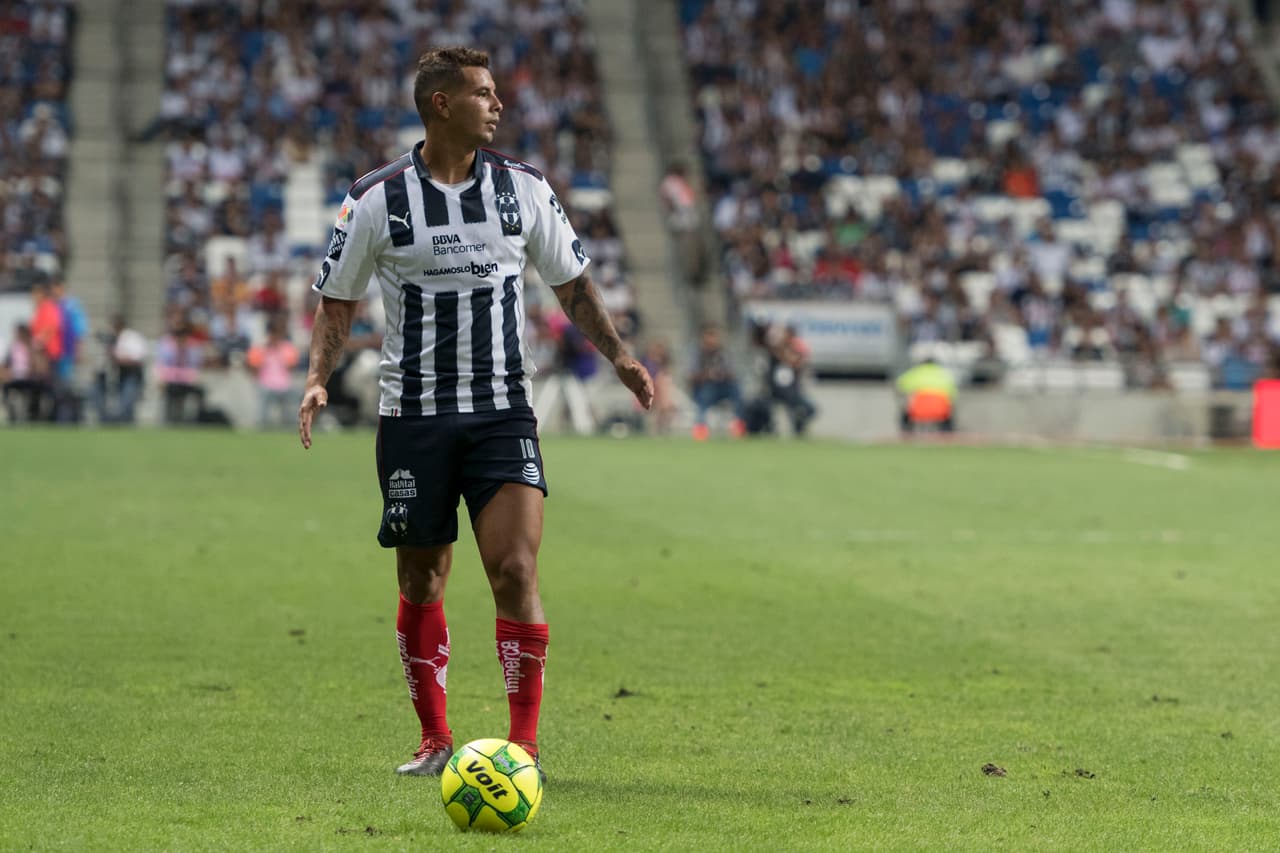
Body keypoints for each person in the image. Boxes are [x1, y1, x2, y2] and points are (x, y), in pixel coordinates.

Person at [296, 47, 653, 779]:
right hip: (414, 416)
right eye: (483, 94)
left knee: (516, 567)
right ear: (440, 105)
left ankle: (523, 746)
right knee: (422, 578)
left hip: (502, 413)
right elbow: (338, 301)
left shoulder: (523, 189)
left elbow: (573, 284)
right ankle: (435, 738)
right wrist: (316, 379)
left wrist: (619, 355)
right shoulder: (377, 197)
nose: (497, 105)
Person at [688, 324, 744, 440]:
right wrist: (707, 375)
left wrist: (722, 374)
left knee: (737, 390)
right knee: (705, 393)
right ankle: (700, 427)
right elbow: (691, 375)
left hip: (723, 386)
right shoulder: (698, 354)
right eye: (710, 336)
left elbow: (733, 372)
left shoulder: (723, 353)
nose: (712, 340)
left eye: (714, 337)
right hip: (704, 388)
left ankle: (738, 424)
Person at [246, 316, 300, 428]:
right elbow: (253, 367)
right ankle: (262, 426)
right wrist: (266, 351)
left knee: (293, 397)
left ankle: (290, 427)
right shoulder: (260, 348)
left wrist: (278, 351)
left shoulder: (287, 348)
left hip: (285, 385)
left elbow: (291, 366)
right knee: (262, 397)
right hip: (266, 385)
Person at [895, 354, 958, 434]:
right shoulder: (944, 374)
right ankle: (947, 435)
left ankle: (906, 434)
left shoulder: (915, 372)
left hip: (918, 410)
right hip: (940, 411)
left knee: (905, 414)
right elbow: (953, 395)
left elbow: (899, 385)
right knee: (949, 415)